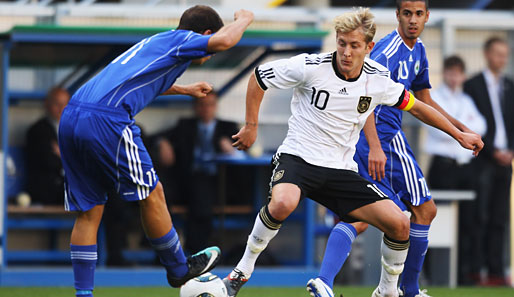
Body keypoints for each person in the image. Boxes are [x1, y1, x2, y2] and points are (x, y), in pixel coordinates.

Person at [223, 7, 482, 297]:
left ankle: (387, 291)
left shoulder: (377, 78)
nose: (346, 52)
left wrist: (458, 133)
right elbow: (259, 76)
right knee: (283, 203)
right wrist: (250, 126)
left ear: (368, 48)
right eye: (342, 43)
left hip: (341, 170)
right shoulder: (310, 66)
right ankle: (240, 272)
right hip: (299, 158)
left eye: (354, 45)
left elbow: (418, 106)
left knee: (399, 224)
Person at [58, 5, 254, 297]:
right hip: (106, 119)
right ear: (206, 34)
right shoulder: (181, 41)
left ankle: (83, 294)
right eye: (209, 46)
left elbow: (141, 81)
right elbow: (225, 41)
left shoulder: (155, 42)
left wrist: (185, 89)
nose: (211, 54)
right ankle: (177, 269)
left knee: (90, 211)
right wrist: (244, 20)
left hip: (71, 116)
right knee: (153, 192)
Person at [312, 2, 481, 297]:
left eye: (418, 14)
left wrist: (460, 131)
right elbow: (364, 96)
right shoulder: (386, 52)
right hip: (382, 140)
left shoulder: (419, 51)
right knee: (421, 210)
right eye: (407, 13)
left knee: (365, 216)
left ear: (427, 16)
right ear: (398, 16)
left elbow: (424, 101)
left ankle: (325, 282)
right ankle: (408, 290)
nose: (413, 20)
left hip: (379, 141)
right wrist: (376, 146)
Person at [423, 56, 486, 285]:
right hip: (442, 165)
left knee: (467, 220)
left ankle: (462, 273)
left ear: (462, 76)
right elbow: (437, 128)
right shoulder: (435, 97)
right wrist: (460, 130)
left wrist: (457, 129)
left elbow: (480, 126)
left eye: (458, 73)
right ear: (445, 73)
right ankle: (430, 272)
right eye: (450, 72)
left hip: (463, 167)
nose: (453, 77)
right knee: (433, 218)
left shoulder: (466, 100)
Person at [156, 91, 244, 253]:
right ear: (195, 107)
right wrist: (163, 143)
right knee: (160, 192)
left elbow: (245, 153)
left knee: (201, 192)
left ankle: (195, 248)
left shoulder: (228, 128)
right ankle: (164, 249)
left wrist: (232, 149)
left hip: (218, 183)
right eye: (202, 105)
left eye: (210, 105)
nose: (206, 109)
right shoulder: (185, 125)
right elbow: (159, 135)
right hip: (187, 181)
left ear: (216, 106)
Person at [463, 36, 514, 286]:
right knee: (478, 216)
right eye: (497, 53)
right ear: (486, 54)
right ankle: (475, 271)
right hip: (483, 159)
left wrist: (510, 150)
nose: (501, 59)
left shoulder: (510, 86)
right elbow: (470, 121)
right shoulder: (472, 85)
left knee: (500, 218)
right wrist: (493, 150)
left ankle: (496, 272)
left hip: (506, 161)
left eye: (505, 54)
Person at [25, 87, 70, 205]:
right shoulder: (38, 130)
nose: (61, 108)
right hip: (49, 190)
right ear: (47, 104)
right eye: (57, 104)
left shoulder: (72, 129)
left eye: (65, 104)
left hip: (67, 187)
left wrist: (62, 154)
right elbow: (49, 162)